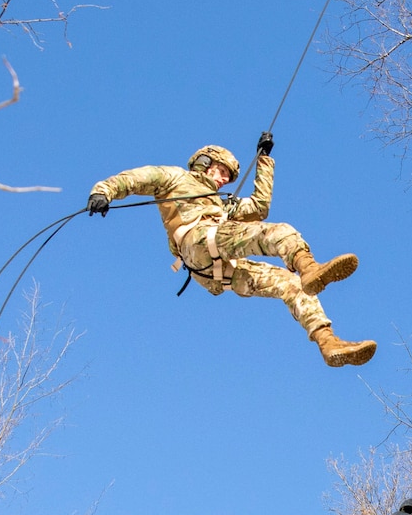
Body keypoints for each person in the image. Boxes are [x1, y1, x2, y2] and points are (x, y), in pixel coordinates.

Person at [86, 132, 376, 367]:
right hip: (199, 240)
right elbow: (136, 179)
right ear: (203, 162)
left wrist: (264, 161)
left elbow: (259, 208)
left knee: (292, 284)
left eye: (228, 176)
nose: (224, 179)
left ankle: (328, 342)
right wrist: (103, 192)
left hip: (215, 272)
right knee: (280, 232)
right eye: (222, 171)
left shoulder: (224, 205)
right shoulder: (175, 178)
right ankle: (309, 266)